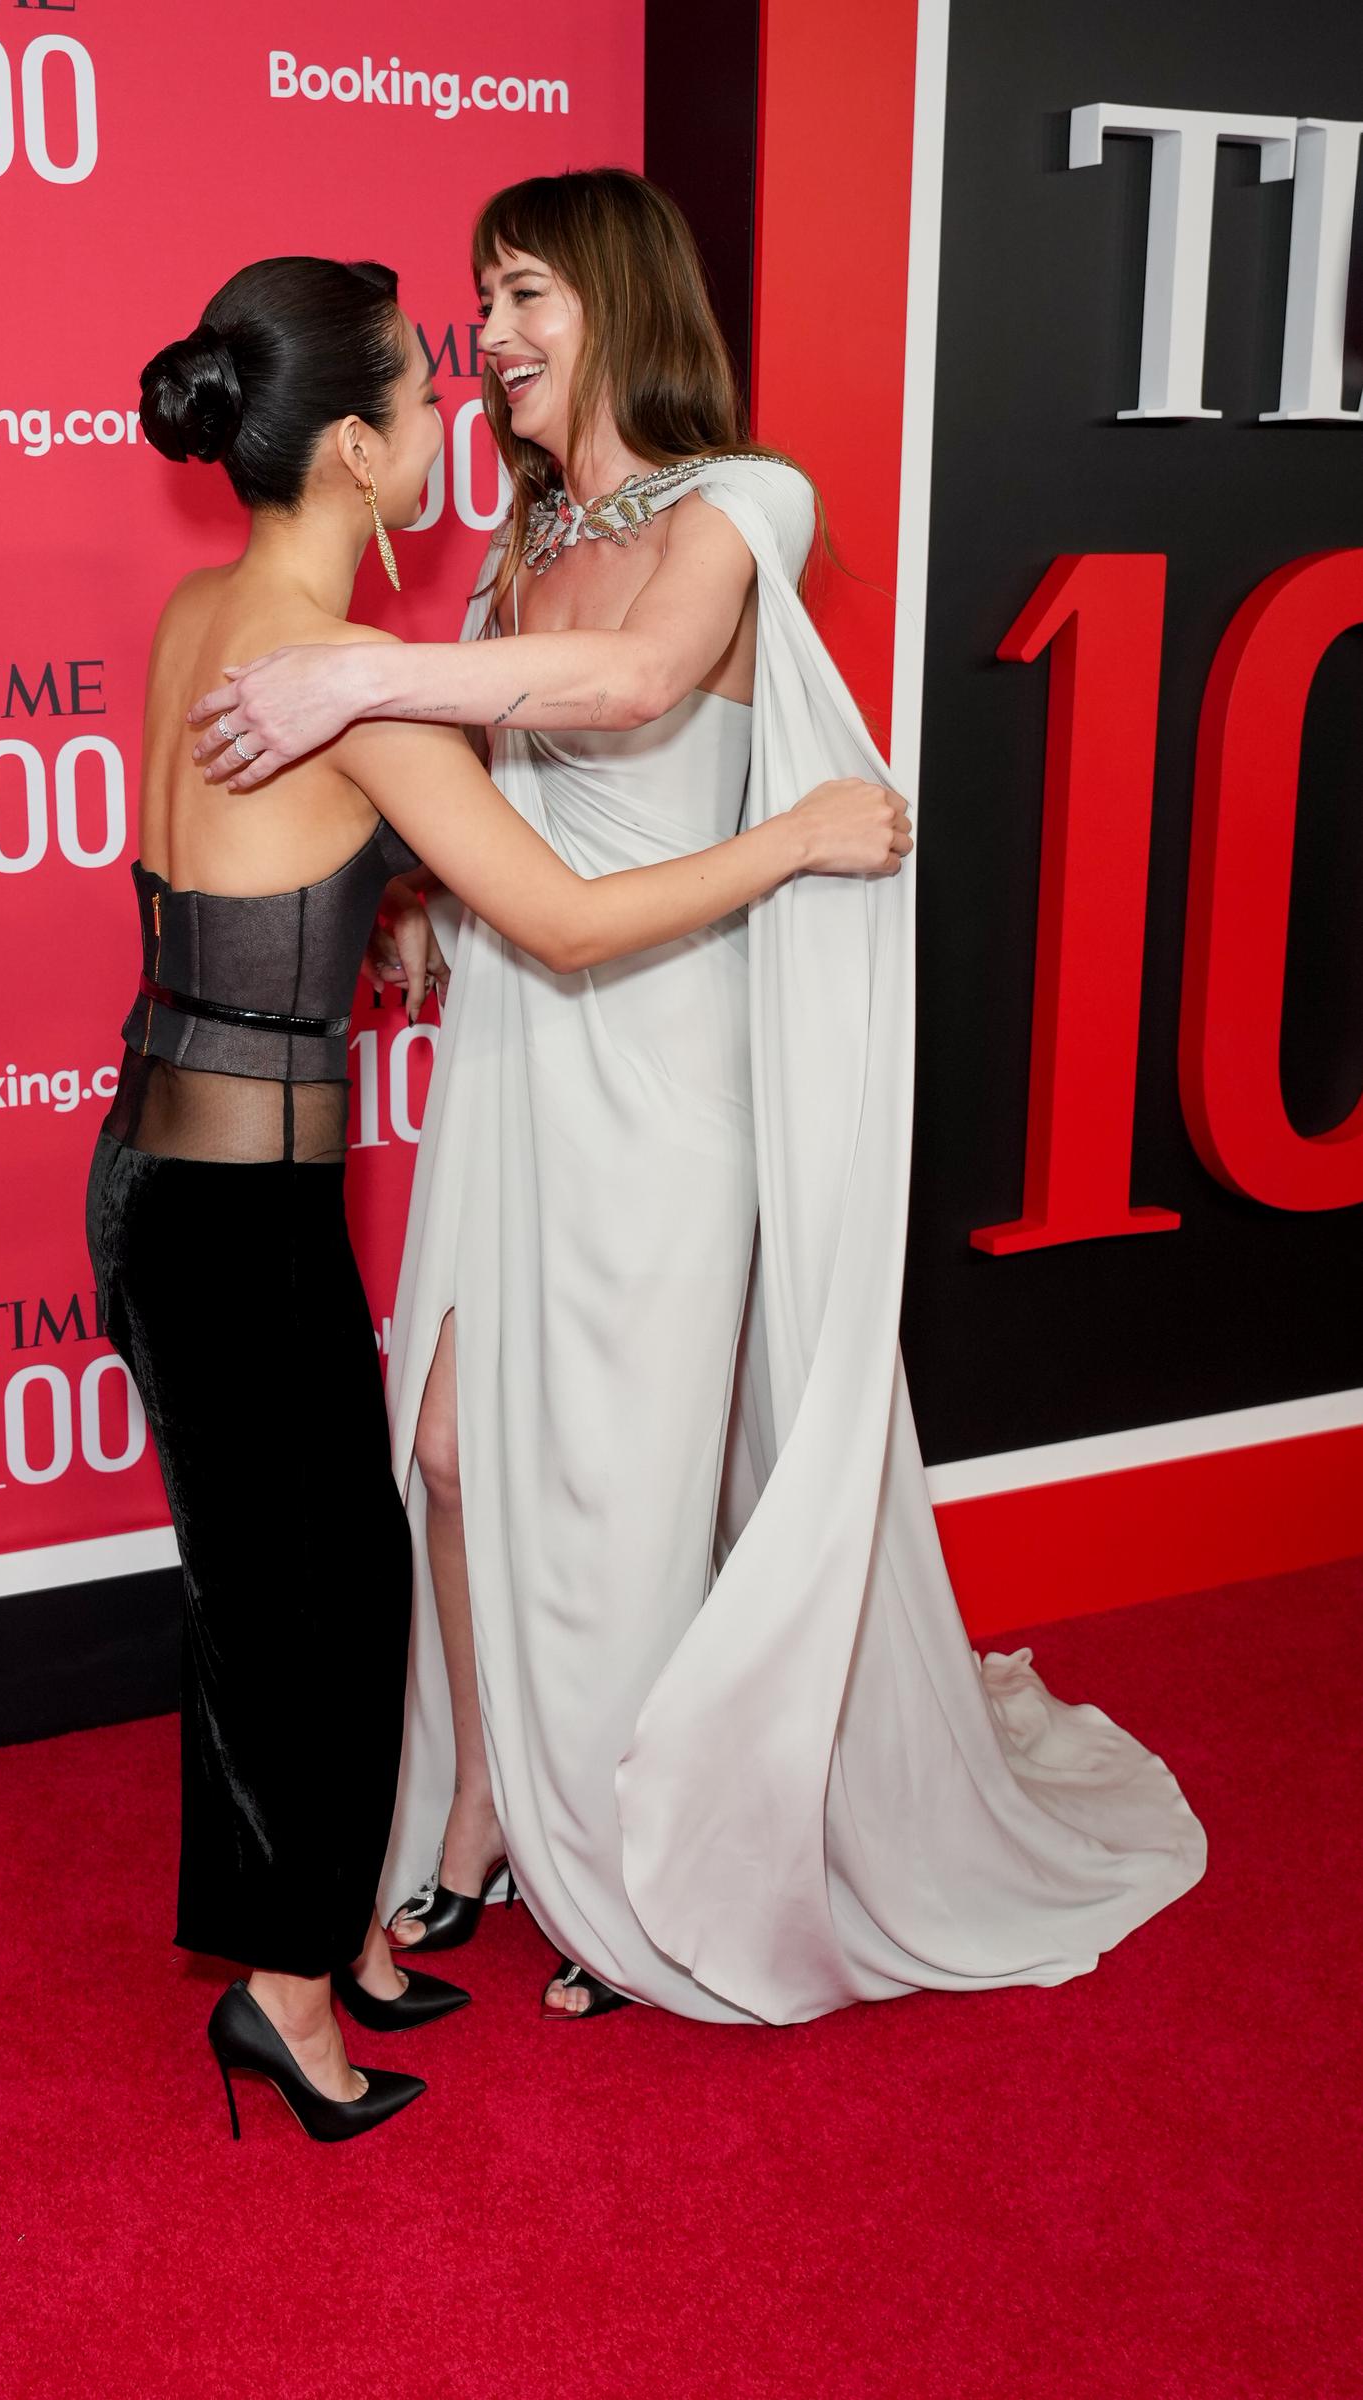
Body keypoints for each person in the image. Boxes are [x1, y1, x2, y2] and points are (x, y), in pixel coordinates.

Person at [186, 170, 1208, 2028]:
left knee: (630, 1486)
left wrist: (369, 668)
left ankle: (633, 1866)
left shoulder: (749, 495)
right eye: (478, 307)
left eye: (519, 298)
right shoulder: (516, 541)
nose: (485, 341)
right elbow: (526, 803)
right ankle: (492, 1804)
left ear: (615, 299)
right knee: (450, 1453)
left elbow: (646, 678)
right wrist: (416, 902)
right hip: (517, 1043)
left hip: (666, 1070)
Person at [85, 248, 905, 2141]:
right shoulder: (354, 689)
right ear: (361, 451)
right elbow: (565, 914)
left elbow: (248, 880)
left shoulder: (204, 614)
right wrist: (793, 838)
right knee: (308, 1609)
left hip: (170, 1169)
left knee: (284, 1586)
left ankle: (339, 1942)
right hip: (234, 1209)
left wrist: (390, 905)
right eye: (424, 393)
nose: (455, 412)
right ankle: (291, 1999)